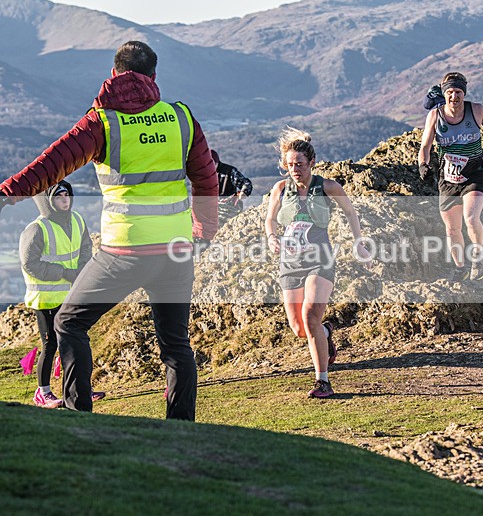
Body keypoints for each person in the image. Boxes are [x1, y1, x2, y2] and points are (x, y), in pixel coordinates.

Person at [0, 41, 218, 420]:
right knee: (175, 344)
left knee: (68, 323)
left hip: (125, 252)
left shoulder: (103, 121)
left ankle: (77, 413)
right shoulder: (182, 118)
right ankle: (181, 428)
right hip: (176, 251)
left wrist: (8, 191)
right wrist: (204, 231)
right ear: (153, 76)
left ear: (115, 74)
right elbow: (206, 179)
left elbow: (54, 163)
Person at [265, 128, 371, 399]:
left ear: (312, 163)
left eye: (299, 164)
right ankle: (325, 332)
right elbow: (270, 219)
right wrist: (271, 237)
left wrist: (358, 241)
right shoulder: (280, 188)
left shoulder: (328, 187)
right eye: (290, 165)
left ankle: (323, 381)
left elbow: (350, 212)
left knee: (310, 316)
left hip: (319, 260)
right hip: (290, 263)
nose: (294, 170)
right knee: (299, 328)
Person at [20, 181, 104, 408]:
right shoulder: (37, 228)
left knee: (75, 340)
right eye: (59, 196)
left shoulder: (77, 220)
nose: (65, 200)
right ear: (49, 201)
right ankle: (42, 392)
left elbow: (86, 247)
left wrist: (81, 271)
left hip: (71, 294)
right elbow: (30, 264)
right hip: (46, 299)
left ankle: (80, 389)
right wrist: (66, 273)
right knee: (50, 346)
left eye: (67, 195)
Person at [418, 72, 483, 282]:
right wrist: (423, 165)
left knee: (471, 218)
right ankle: (459, 267)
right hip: (448, 177)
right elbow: (425, 146)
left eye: (458, 92)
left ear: (464, 93)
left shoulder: (476, 110)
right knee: (452, 228)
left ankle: (477, 258)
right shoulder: (435, 116)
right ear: (444, 94)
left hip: (474, 172)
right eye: (450, 92)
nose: (454, 97)